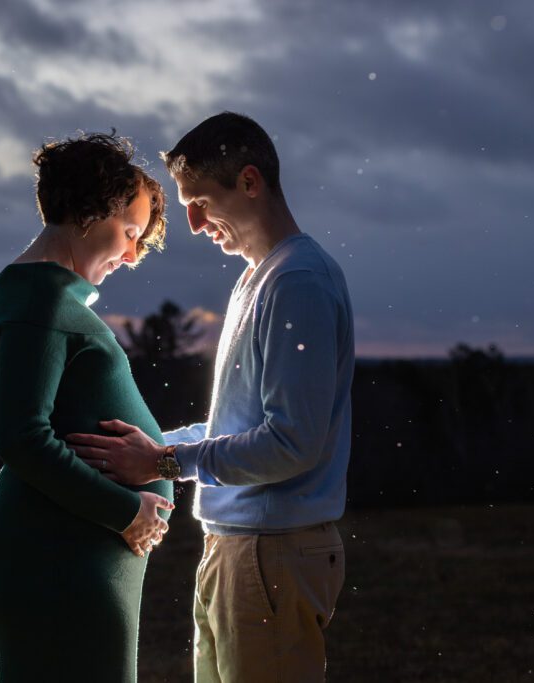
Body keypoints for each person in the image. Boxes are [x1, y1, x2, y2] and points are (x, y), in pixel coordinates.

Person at [67, 112, 354, 683]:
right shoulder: (260, 277)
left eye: (199, 201)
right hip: (238, 549)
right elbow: (235, 426)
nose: (193, 224)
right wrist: (149, 447)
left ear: (250, 181)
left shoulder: (298, 281)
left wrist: (166, 463)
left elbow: (292, 443)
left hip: (271, 553)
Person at [0, 132, 175, 683]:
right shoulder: (43, 299)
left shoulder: (36, 293)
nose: (132, 255)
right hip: (59, 560)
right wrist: (126, 512)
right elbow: (20, 436)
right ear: (93, 210)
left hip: (68, 555)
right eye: (129, 232)